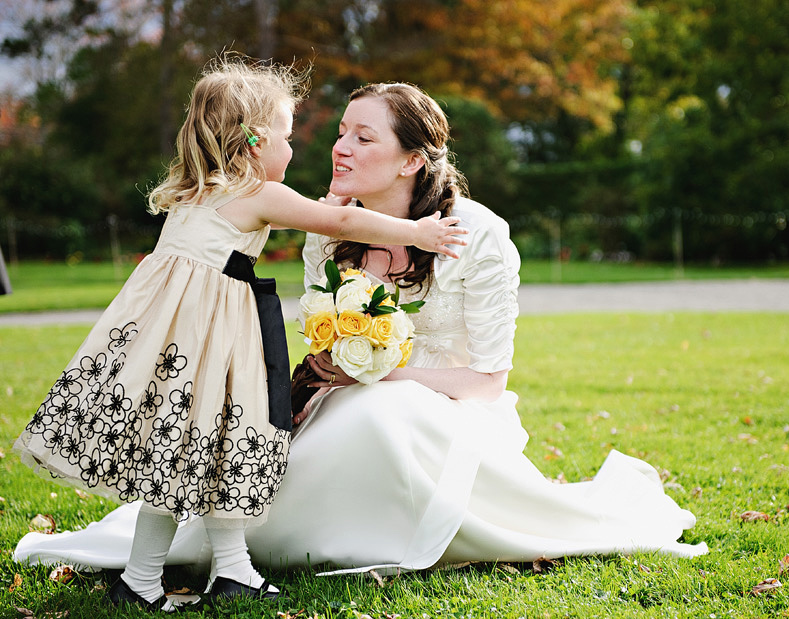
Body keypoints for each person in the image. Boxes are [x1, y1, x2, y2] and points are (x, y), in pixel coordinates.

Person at [13, 82, 706, 583]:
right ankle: (221, 550)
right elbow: (321, 316)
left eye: (361, 136)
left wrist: (381, 372)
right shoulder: (325, 228)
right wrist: (338, 371)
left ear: (412, 159)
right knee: (283, 441)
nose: (338, 147)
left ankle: (244, 549)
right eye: (340, 130)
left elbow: (488, 380)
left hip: (450, 415)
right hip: (342, 399)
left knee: (384, 409)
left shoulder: (482, 236)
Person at [10, 62, 466, 613]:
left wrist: (326, 206)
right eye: (287, 137)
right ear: (255, 141)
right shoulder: (258, 191)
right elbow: (341, 226)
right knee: (202, 460)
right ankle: (146, 578)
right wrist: (416, 232)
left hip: (177, 354)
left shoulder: (196, 191)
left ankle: (226, 571)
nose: (294, 151)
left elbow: (320, 216)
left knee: (202, 459)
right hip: (212, 351)